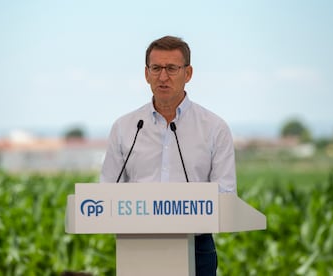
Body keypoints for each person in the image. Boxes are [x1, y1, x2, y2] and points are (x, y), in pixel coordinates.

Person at [100, 35, 237, 276]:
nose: (163, 77)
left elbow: (226, 196)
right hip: (137, 247)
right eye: (156, 68)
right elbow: (106, 193)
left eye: (171, 68)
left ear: (188, 73)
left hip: (196, 248)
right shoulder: (125, 127)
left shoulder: (215, 128)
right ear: (146, 74)